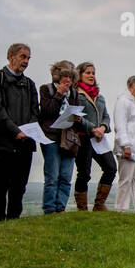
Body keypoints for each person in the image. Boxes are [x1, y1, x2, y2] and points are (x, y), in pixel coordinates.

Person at [0, 43, 39, 221]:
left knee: (19, 185)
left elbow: (35, 112)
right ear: (10, 56)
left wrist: (28, 131)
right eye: (23, 57)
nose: (26, 61)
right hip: (0, 142)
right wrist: (15, 131)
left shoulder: (30, 84)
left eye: (28, 58)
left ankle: (14, 220)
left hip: (24, 143)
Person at [73, 61, 116, 211]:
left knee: (111, 167)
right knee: (84, 172)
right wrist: (93, 129)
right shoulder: (76, 95)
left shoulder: (100, 96)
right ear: (79, 75)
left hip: (100, 138)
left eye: (93, 73)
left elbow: (106, 116)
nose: (91, 76)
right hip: (83, 137)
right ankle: (82, 207)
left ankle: (99, 204)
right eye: (88, 73)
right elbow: (76, 117)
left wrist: (103, 128)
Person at [39, 60, 80, 213]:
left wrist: (77, 118)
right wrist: (59, 94)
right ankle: (49, 208)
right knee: (52, 176)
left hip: (68, 138)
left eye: (70, 77)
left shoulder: (74, 94)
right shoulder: (46, 89)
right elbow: (46, 111)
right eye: (64, 76)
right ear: (57, 76)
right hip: (51, 137)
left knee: (66, 176)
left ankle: (60, 207)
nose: (67, 80)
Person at [112, 75, 135, 214]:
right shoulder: (123, 102)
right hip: (128, 147)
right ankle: (121, 208)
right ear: (129, 87)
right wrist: (125, 145)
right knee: (125, 179)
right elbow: (120, 125)